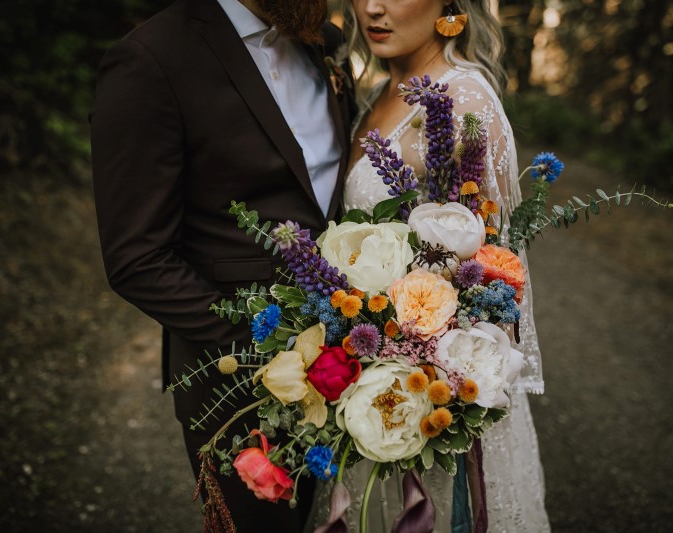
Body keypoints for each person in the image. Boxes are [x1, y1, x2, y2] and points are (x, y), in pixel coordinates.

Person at [90, 0, 355, 531]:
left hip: (354, 362)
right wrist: (271, 347)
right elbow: (137, 259)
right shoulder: (151, 61)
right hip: (236, 381)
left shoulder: (323, 42)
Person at [311, 0, 550, 531]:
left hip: (432, 395)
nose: (372, 7)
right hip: (372, 378)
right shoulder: (374, 95)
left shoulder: (464, 98)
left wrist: (432, 365)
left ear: (449, 6)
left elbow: (494, 267)